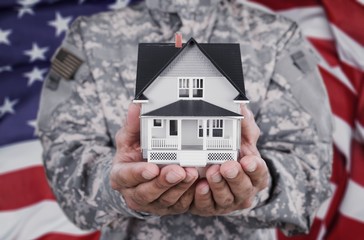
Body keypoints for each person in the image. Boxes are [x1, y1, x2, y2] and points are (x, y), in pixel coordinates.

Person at [37, 0, 334, 239]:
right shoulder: (91, 37)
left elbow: (312, 172)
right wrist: (117, 186)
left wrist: (257, 186)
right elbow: (64, 160)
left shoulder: (276, 37)